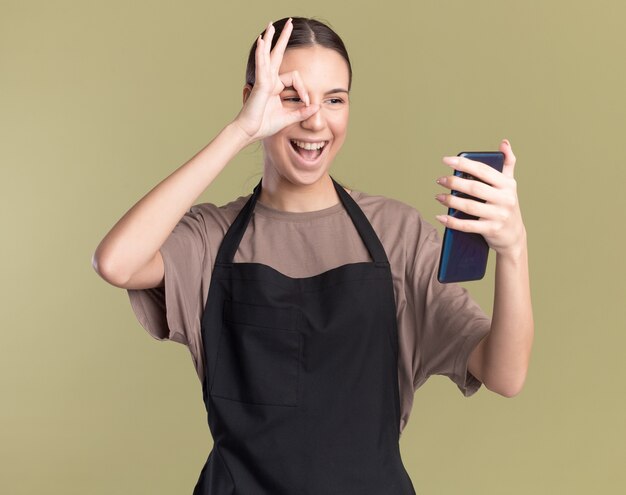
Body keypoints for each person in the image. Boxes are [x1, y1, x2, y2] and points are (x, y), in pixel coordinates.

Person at [92, 16, 533, 494]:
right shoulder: (210, 238)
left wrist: (514, 250)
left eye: (334, 100)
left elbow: (504, 375)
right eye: (291, 96)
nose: (315, 120)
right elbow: (117, 262)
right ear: (252, 99)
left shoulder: (396, 235)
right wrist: (240, 132)